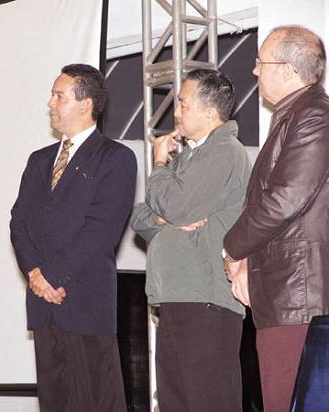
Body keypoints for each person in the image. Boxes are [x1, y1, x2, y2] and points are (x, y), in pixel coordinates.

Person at [10, 64, 137, 412]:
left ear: (85, 104)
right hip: (43, 304)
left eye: (59, 96)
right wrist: (34, 274)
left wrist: (51, 276)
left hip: (85, 301)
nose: (50, 103)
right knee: (54, 402)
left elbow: (102, 230)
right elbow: (19, 223)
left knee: (97, 401)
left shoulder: (115, 158)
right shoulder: (39, 160)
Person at [131, 69, 251, 411]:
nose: (176, 112)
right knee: (176, 402)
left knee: (207, 401)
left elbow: (174, 205)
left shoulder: (225, 152)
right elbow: (139, 216)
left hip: (206, 301)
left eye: (183, 104)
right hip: (178, 298)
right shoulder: (187, 158)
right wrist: (163, 217)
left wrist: (159, 163)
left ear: (210, 113)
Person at [223, 25, 329, 412]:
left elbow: (287, 198)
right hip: (285, 294)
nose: (254, 71)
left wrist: (231, 248)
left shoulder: (314, 115)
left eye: (260, 62)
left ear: (286, 69)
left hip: (298, 296)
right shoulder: (295, 114)